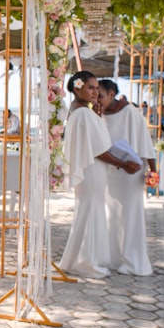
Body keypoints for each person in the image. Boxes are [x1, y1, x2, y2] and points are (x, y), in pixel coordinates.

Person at [59, 71, 141, 278]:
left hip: (90, 169)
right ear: (78, 88)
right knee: (92, 210)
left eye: (97, 88)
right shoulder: (84, 113)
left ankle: (76, 259)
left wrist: (95, 116)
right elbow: (97, 149)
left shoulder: (78, 110)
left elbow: (90, 140)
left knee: (87, 210)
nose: (95, 92)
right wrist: (123, 163)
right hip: (92, 168)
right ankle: (88, 262)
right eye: (90, 88)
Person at [99, 80, 155, 276]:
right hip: (110, 171)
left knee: (130, 215)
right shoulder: (99, 115)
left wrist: (153, 171)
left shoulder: (130, 113)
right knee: (111, 215)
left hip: (132, 170)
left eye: (101, 95)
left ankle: (133, 260)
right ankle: (114, 258)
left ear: (112, 93)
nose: (97, 99)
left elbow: (145, 141)